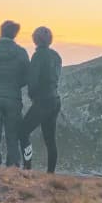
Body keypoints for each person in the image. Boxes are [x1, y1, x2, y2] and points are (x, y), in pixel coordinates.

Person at [0, 20, 30, 167]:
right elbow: (27, 75)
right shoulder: (21, 52)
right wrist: (16, 85)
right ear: (15, 34)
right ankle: (13, 165)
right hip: (13, 98)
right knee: (13, 134)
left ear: (1, 31)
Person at [19, 26, 63, 172]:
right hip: (55, 99)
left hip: (42, 100)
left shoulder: (38, 56)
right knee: (50, 139)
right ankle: (50, 173)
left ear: (35, 39)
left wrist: (33, 96)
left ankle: (27, 167)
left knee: (23, 131)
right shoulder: (56, 56)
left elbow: (33, 80)